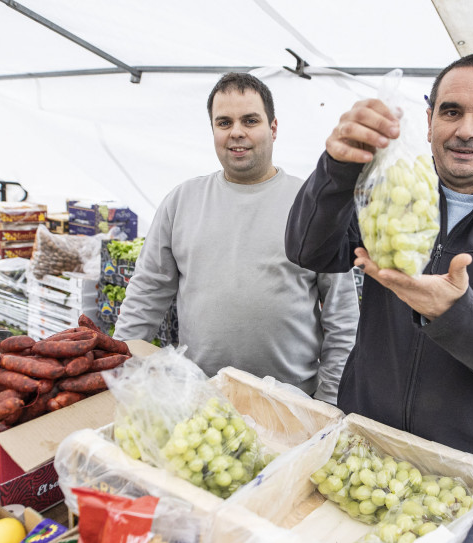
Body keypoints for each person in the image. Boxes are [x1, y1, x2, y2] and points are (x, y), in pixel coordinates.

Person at [285, 54, 473, 479]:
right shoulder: (387, 195)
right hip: (366, 449)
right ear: (429, 120)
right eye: (451, 111)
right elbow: (308, 249)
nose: (466, 130)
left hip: (467, 470)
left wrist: (455, 314)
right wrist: (338, 166)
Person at [114, 72, 359, 403]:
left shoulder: (313, 205)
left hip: (292, 404)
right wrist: (120, 373)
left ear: (273, 128)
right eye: (224, 122)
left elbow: (342, 317)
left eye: (250, 120)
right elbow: (146, 294)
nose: (237, 132)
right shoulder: (182, 201)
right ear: (213, 130)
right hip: (200, 400)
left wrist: (329, 403)